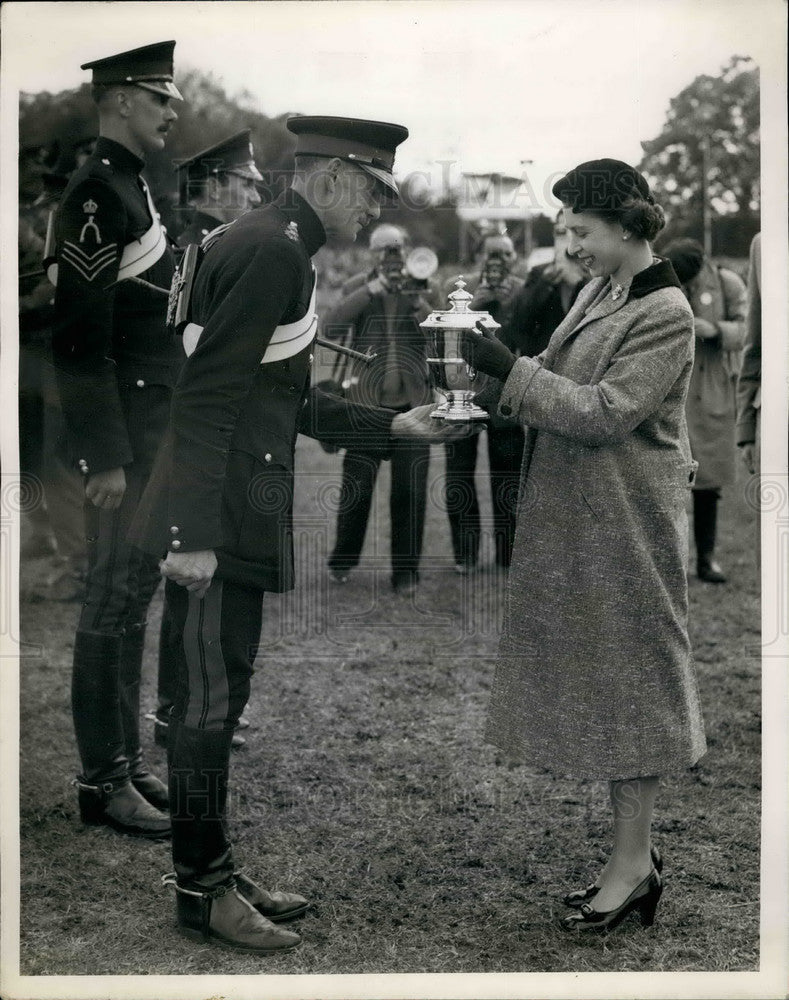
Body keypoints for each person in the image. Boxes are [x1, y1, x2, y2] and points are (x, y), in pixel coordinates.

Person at [128, 115, 475, 954]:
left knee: (217, 695)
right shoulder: (273, 250)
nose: (374, 208)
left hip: (236, 511)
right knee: (207, 703)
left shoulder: (274, 242)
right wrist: (191, 535)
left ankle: (209, 868)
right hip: (218, 520)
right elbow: (205, 397)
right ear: (328, 178)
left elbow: (291, 398)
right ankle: (203, 890)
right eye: (371, 189)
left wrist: (398, 425)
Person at [460, 159, 706, 933]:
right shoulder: (605, 289)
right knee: (610, 688)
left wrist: (508, 369)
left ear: (629, 228)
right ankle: (628, 860)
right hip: (594, 521)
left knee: (632, 689)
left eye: (582, 232)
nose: (569, 245)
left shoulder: (663, 308)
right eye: (565, 231)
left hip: (625, 527)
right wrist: (507, 374)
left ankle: (633, 867)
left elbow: (605, 412)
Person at [50, 41, 183, 840]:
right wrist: (102, 456)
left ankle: (123, 762)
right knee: (108, 600)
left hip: (145, 433)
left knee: (130, 595)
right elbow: (79, 337)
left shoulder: (131, 185)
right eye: (160, 97)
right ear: (123, 99)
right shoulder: (98, 193)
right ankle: (102, 779)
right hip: (122, 445)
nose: (172, 112)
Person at [153, 130, 265, 751]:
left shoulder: (211, 242)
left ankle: (181, 708)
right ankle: (178, 712)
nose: (255, 193)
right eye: (246, 183)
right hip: (195, 430)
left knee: (191, 588)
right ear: (217, 185)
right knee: (192, 585)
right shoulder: (202, 244)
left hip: (194, 425)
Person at [323, 224, 436, 594]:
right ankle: (343, 560)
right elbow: (332, 327)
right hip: (366, 404)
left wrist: (417, 301)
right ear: (371, 254)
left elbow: (437, 335)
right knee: (356, 489)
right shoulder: (358, 286)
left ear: (408, 250)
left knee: (411, 492)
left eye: (397, 248)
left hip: (412, 403)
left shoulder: (423, 284)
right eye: (383, 249)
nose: (391, 256)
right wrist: (371, 291)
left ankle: (405, 574)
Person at [662, 238, 747, 584]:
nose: (689, 287)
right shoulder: (667, 284)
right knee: (668, 481)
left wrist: (715, 331)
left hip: (712, 388)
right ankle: (672, 562)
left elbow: (748, 330)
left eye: (692, 281)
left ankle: (707, 558)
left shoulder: (729, 284)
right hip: (674, 390)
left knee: (709, 483)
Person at [443, 234, 525, 572]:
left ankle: (507, 555)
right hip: (464, 390)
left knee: (507, 478)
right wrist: (476, 305)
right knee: (458, 475)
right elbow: (445, 335)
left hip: (505, 393)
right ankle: (465, 554)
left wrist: (507, 306)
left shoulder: (522, 290)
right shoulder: (455, 286)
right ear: (479, 255)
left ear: (515, 257)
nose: (498, 260)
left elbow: (527, 337)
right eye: (492, 253)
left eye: (505, 254)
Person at [174, 128, 263, 245]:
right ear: (214, 188)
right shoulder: (196, 251)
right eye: (247, 185)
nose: (257, 198)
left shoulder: (224, 244)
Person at [736, 233, 762, 477]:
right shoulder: (762, 244)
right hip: (772, 413)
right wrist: (747, 429)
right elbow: (754, 341)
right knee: (776, 512)